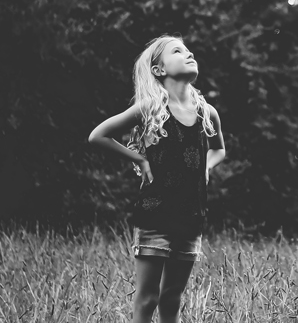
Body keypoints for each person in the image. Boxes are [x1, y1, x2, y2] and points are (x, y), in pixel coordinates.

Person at [86, 35, 226, 323]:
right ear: (159, 70)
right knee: (148, 297)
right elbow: (97, 136)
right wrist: (138, 158)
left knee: (172, 297)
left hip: (191, 217)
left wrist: (206, 168)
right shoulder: (150, 107)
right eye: (178, 51)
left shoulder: (207, 113)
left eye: (189, 50)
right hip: (156, 215)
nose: (188, 54)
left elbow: (219, 149)